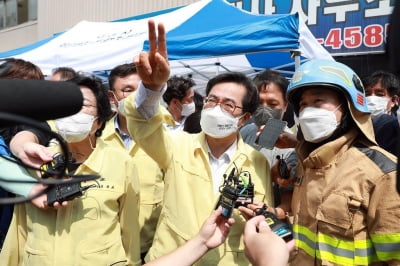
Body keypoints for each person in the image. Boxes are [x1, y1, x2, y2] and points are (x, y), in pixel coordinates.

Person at [125, 20, 273, 265]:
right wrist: (152, 87)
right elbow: (141, 122)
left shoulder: (256, 161)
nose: (216, 108)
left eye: (228, 104)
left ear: (244, 118)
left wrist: (259, 214)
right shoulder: (176, 144)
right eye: (212, 100)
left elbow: (263, 222)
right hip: (171, 258)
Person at [0, 74, 142, 265]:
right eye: (66, 108)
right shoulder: (38, 161)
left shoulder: (121, 163)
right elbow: (19, 229)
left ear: (99, 120)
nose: (72, 113)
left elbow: (129, 230)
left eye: (82, 106)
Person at [285, 59, 400, 264]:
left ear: (349, 107)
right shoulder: (307, 164)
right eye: (303, 104)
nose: (308, 111)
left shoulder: (384, 173)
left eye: (318, 101)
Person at [103, 62, 164, 260]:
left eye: (140, 89)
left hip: (150, 247)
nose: (135, 96)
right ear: (112, 97)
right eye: (127, 90)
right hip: (106, 247)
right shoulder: (95, 138)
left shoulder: (165, 138)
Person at [239, 69, 296, 219]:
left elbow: (289, 196)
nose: (264, 109)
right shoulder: (246, 132)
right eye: (259, 103)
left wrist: (274, 212)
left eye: (272, 103)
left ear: (285, 106)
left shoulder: (290, 146)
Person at [363, 70, 400, 155]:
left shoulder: (396, 126)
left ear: (393, 100)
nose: (371, 99)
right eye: (367, 94)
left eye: (379, 94)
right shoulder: (355, 126)